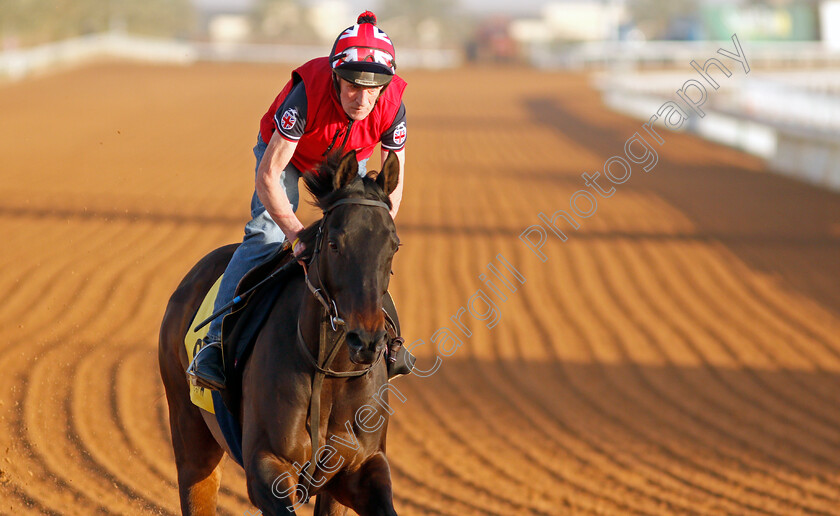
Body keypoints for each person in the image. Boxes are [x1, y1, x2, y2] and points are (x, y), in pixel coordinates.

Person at [188, 11, 407, 391]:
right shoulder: (305, 96)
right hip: (288, 156)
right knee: (265, 236)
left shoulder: (392, 107)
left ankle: (389, 342)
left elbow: (392, 184)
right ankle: (214, 345)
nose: (363, 98)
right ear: (336, 76)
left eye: (373, 89)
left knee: (366, 246)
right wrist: (297, 235)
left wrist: (378, 226)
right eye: (353, 86)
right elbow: (269, 176)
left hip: (347, 159)